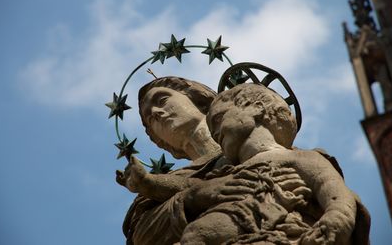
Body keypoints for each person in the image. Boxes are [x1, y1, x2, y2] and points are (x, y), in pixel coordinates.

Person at [178, 83, 369, 245]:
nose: (215, 133)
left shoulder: (302, 158)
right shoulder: (224, 176)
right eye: (212, 131)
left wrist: (337, 219)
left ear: (256, 108)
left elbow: (331, 188)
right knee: (195, 233)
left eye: (219, 119)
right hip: (233, 220)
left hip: (288, 227)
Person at [117, 76, 249, 245]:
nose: (156, 113)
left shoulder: (247, 138)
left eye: (163, 100)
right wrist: (192, 197)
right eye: (150, 119)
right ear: (162, 141)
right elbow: (142, 235)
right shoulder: (160, 187)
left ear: (201, 101)